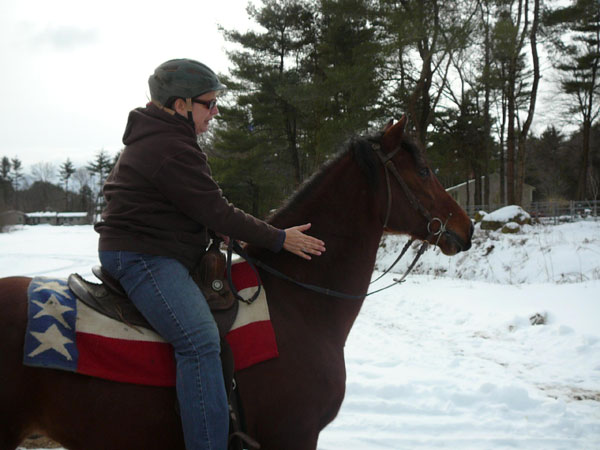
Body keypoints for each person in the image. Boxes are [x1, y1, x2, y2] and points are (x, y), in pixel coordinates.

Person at [94, 58, 326, 450]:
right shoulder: (169, 146)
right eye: (209, 103)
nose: (215, 112)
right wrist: (277, 239)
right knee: (200, 341)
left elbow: (198, 207)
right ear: (179, 104)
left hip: (157, 249)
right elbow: (215, 210)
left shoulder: (165, 138)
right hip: (144, 258)